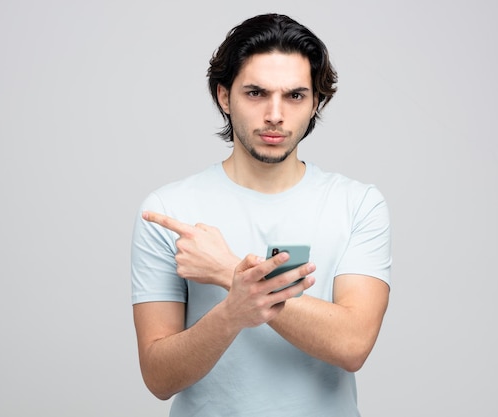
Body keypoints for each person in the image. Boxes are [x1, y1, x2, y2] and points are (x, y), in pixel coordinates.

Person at [130, 13, 391, 417]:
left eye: (295, 96)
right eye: (255, 93)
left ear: (315, 102)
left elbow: (353, 345)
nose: (275, 114)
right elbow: (159, 378)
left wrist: (227, 271)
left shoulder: (357, 204)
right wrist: (234, 312)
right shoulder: (170, 210)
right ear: (223, 96)